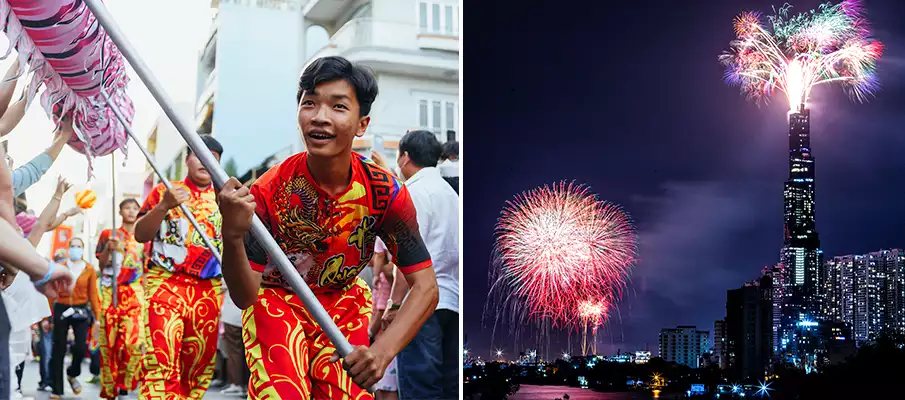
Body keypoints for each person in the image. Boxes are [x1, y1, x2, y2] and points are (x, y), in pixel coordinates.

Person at [217, 56, 439, 399]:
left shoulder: (386, 193)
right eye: (310, 103)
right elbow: (245, 295)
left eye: (338, 106)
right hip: (277, 303)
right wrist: (231, 236)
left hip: (343, 304)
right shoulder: (267, 192)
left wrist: (382, 352)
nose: (320, 116)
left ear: (361, 123)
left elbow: (425, 286)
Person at [135, 135, 224, 399]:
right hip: (165, 283)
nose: (206, 162)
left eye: (214, 158)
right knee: (161, 361)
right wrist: (164, 205)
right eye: (199, 154)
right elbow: (140, 234)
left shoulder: (225, 198)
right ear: (187, 159)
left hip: (208, 290)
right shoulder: (166, 190)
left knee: (197, 367)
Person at [389, 130, 460, 400]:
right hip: (451, 301)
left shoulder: (412, 192)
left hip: (419, 304)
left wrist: (394, 306)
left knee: (420, 384)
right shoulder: (451, 194)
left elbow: (406, 256)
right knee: (448, 386)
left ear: (405, 157)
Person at [95, 198, 146, 398]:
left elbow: (147, 268)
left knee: (134, 341)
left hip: (134, 293)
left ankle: (126, 381)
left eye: (135, 208)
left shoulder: (144, 236)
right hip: (111, 292)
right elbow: (101, 266)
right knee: (110, 341)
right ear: (120, 211)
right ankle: (109, 387)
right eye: (128, 208)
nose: (132, 212)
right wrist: (109, 248)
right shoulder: (109, 235)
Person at [48, 237, 100, 399]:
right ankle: (57, 389)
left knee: (80, 347)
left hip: (81, 309)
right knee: (59, 348)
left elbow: (93, 294)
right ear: (68, 248)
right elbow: (52, 292)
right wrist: (47, 316)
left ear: (83, 250)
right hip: (62, 308)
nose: (76, 249)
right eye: (73, 246)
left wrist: (97, 318)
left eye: (79, 246)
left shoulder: (89, 269)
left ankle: (72, 373)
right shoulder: (60, 267)